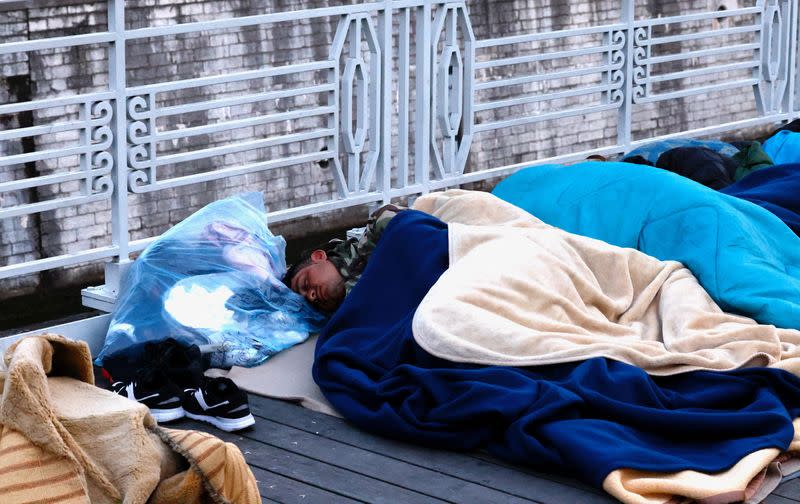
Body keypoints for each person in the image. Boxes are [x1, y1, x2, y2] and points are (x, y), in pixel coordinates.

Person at [284, 204, 405, 312]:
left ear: (319, 256)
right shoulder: (354, 313)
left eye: (305, 284)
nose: (311, 296)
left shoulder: (379, 229)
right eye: (311, 304)